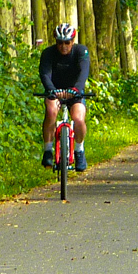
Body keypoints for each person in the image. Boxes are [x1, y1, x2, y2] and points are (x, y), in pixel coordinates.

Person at [40, 23, 91, 172]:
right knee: (51, 112)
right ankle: (48, 150)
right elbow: (45, 74)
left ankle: (79, 150)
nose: (63, 46)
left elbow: (83, 72)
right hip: (55, 91)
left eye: (67, 43)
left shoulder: (81, 51)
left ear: (72, 41)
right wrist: (52, 90)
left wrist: (76, 90)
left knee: (79, 118)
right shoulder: (48, 53)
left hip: (75, 92)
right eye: (60, 43)